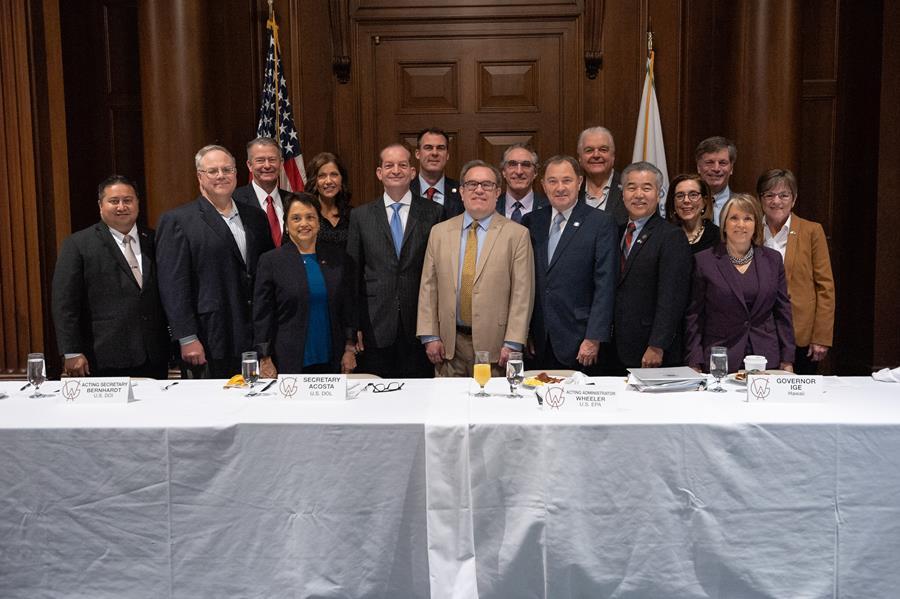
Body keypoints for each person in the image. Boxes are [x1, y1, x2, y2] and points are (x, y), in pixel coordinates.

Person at [156, 144, 275, 378]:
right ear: (200, 176)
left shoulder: (255, 217)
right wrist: (187, 337)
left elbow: (265, 275)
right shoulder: (178, 221)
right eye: (213, 171)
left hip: (253, 337)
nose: (221, 176)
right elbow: (173, 286)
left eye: (227, 169)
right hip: (209, 338)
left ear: (237, 174)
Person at [417, 160, 534, 377]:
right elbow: (428, 287)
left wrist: (514, 342)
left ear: (497, 192)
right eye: (471, 184)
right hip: (448, 348)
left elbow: (522, 294)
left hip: (497, 349)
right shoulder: (439, 233)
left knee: (493, 410)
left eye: (487, 185)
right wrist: (429, 336)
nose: (479, 190)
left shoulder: (516, 235)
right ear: (461, 191)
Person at [51, 175, 170, 378]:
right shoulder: (78, 244)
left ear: (137, 203)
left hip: (154, 356)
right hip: (103, 357)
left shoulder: (154, 239)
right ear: (100, 205)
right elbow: (64, 303)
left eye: (128, 200)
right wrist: (71, 351)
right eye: (114, 201)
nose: (122, 207)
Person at [346, 143, 443, 378]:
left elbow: (441, 273)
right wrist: (353, 328)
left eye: (402, 165)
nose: (396, 170)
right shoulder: (361, 215)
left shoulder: (434, 213)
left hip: (419, 325)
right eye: (389, 165)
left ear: (412, 172)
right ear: (379, 173)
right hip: (374, 324)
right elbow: (353, 275)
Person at [523, 156, 617, 372]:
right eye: (553, 181)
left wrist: (594, 337)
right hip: (538, 340)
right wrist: (525, 332)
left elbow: (606, 284)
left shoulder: (600, 222)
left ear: (579, 182)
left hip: (579, 339)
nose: (560, 188)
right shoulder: (531, 222)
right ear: (543, 185)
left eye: (566, 180)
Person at [685, 194, 795, 373]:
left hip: (765, 357)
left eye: (748, 219)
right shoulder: (704, 260)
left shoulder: (773, 260)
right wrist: (694, 361)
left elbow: (783, 312)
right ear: (724, 224)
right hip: (720, 356)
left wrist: (787, 359)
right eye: (734, 218)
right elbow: (695, 316)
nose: (741, 224)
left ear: (756, 225)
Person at [254, 193, 357, 375]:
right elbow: (263, 314)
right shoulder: (271, 262)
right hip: (288, 361)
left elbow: (348, 307)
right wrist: (265, 358)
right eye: (296, 218)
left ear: (318, 223)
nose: (304, 224)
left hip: (333, 360)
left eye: (310, 217)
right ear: (287, 226)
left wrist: (350, 349)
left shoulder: (339, 259)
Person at [615, 162, 693, 369]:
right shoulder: (615, 232)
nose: (638, 194)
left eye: (646, 188)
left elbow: (673, 297)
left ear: (659, 194)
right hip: (615, 347)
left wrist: (657, 345)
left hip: (650, 350)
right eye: (631, 188)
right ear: (623, 194)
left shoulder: (671, 236)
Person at [758, 169, 834, 374]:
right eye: (769, 195)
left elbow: (825, 287)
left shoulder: (811, 231)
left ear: (794, 199)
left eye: (784, 195)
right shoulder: (751, 230)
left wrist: (821, 336)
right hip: (760, 331)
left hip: (800, 333)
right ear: (761, 199)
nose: (776, 201)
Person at [233, 137, 288, 247]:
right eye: (260, 160)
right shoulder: (234, 200)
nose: (267, 165)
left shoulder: (293, 200)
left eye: (272, 159)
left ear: (281, 163)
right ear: (249, 165)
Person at [576, 126, 629, 226]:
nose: (596, 155)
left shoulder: (629, 187)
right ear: (580, 158)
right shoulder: (572, 190)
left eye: (603, 149)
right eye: (589, 150)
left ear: (613, 156)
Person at [410, 127, 464, 218]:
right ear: (417, 154)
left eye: (440, 148)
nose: (435, 153)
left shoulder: (462, 192)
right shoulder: (405, 190)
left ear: (447, 155)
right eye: (428, 148)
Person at [306, 152, 353, 249]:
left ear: (341, 179)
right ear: (314, 181)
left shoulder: (352, 215)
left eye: (334, 175)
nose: (328, 181)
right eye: (322, 176)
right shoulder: (305, 215)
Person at [664, 173, 720, 253]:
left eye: (693, 195)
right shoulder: (664, 236)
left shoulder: (718, 237)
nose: (686, 200)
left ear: (705, 201)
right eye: (680, 196)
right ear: (673, 203)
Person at [496, 143, 548, 222]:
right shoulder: (491, 207)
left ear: (535, 172)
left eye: (526, 165)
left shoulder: (549, 208)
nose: (519, 171)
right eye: (512, 164)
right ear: (503, 171)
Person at [695, 136, 736, 225]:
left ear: (731, 168)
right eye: (709, 162)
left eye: (722, 163)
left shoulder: (743, 206)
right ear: (698, 167)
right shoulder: (687, 206)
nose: (716, 168)